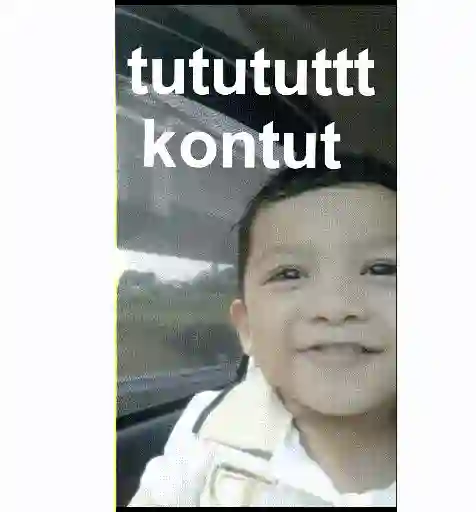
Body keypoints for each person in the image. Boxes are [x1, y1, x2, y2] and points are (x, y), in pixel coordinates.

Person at [129, 152, 397, 507]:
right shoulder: (208, 430)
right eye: (289, 274)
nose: (334, 308)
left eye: (382, 269)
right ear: (247, 329)